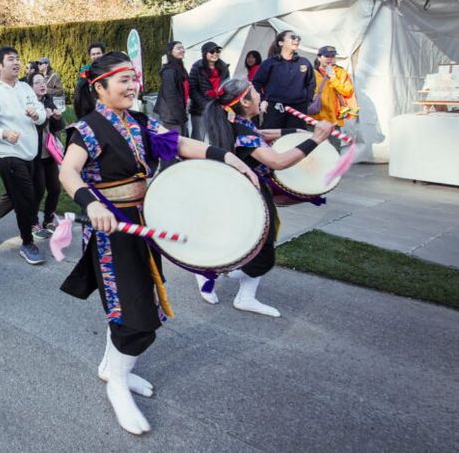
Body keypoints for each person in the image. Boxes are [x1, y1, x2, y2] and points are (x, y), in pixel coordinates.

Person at [58, 52, 257, 436]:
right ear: (99, 88)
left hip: (144, 224)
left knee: (135, 302)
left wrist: (227, 157)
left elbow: (178, 143)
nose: (133, 86)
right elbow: (68, 171)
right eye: (124, 81)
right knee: (134, 314)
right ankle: (117, 384)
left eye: (133, 79)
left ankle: (112, 368)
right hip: (112, 231)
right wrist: (91, 202)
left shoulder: (140, 120)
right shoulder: (86, 129)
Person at [198, 78, 332, 318]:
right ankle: (211, 271)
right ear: (245, 101)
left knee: (258, 244)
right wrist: (316, 139)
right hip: (246, 195)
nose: (261, 95)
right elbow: (277, 161)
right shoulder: (241, 129)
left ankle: (243, 294)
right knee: (261, 250)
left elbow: (262, 134)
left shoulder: (237, 122)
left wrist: (297, 132)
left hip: (251, 190)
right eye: (255, 92)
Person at [0, 46, 47, 263]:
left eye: (17, 59)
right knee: (25, 199)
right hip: (8, 154)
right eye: (11, 59)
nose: (16, 63)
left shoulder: (25, 88)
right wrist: (3, 133)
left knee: (31, 192)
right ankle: (27, 243)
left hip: (30, 152)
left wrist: (37, 115)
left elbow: (41, 113)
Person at [252, 30, 316, 129]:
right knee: (271, 135)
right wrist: (263, 100)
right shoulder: (270, 63)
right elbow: (256, 83)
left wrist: (307, 102)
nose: (296, 40)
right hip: (274, 107)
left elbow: (311, 83)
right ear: (281, 43)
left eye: (298, 38)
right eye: (292, 37)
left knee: (295, 136)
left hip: (298, 108)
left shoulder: (304, 62)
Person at [29, 72, 64, 235]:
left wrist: (57, 118)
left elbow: (58, 127)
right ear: (30, 87)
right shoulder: (29, 105)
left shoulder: (48, 100)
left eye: (43, 81)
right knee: (39, 190)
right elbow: (32, 128)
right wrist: (45, 117)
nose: (42, 84)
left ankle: (48, 220)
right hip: (35, 155)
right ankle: (33, 222)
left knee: (55, 188)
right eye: (37, 82)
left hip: (49, 152)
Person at [188, 41, 230, 141]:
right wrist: (205, 104)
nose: (215, 54)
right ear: (204, 53)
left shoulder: (224, 67)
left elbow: (227, 87)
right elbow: (192, 89)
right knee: (198, 138)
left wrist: (224, 104)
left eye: (217, 51)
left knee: (217, 138)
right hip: (200, 109)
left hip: (218, 109)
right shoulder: (197, 67)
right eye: (212, 52)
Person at [313, 46, 358, 133]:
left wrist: (333, 78)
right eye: (327, 56)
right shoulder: (311, 72)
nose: (330, 59)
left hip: (333, 120)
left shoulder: (341, 72)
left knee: (333, 142)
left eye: (332, 56)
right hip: (314, 118)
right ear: (319, 57)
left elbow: (347, 91)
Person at [154, 41, 189, 136]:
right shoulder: (169, 71)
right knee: (176, 140)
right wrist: (179, 115)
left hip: (179, 111)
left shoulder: (180, 68)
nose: (182, 50)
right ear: (170, 52)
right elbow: (170, 95)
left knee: (183, 138)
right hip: (171, 114)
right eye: (178, 48)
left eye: (182, 48)